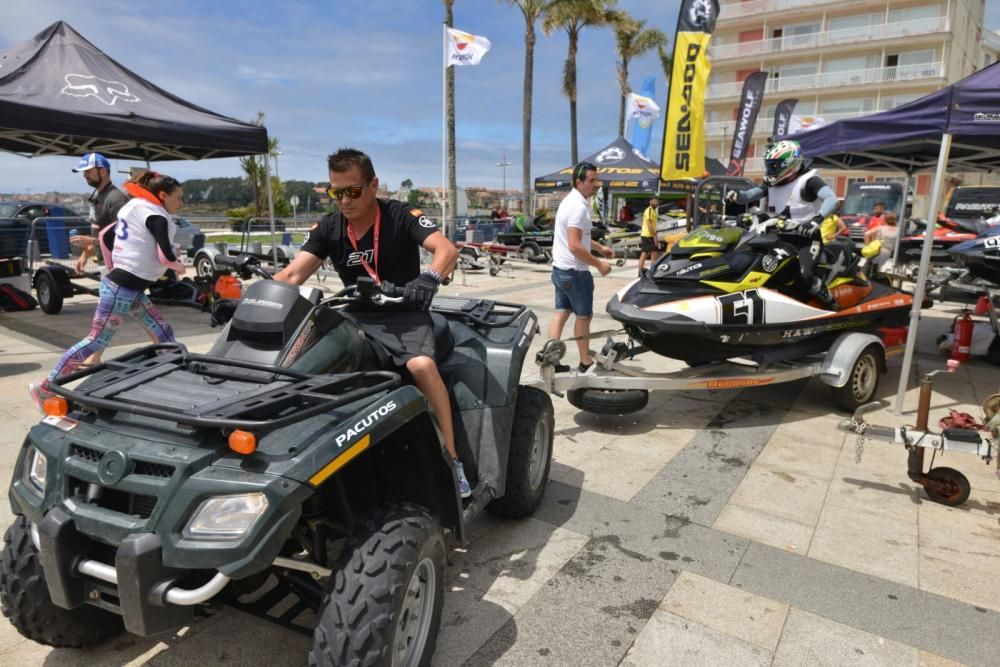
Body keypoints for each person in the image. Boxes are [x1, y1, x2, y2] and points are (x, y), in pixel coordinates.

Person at [273, 148, 470, 497]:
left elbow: (446, 250)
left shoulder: (400, 214)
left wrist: (429, 279)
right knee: (299, 359)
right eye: (336, 193)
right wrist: (250, 299)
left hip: (403, 313)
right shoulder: (329, 227)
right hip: (354, 313)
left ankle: (452, 460)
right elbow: (292, 274)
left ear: (373, 185)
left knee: (423, 366)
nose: (344, 201)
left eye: (352, 191)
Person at [29, 171, 184, 411]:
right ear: (163, 195)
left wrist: (114, 264)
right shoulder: (156, 215)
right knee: (97, 340)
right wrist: (178, 264)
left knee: (162, 331)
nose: (181, 203)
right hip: (122, 288)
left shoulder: (134, 207)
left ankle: (174, 373)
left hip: (129, 288)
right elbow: (165, 255)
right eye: (179, 198)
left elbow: (105, 235)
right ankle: (46, 387)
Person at [727, 139, 841, 307]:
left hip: (806, 239)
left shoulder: (809, 181)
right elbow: (748, 195)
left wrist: (816, 220)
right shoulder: (772, 183)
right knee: (758, 267)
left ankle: (831, 301)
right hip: (778, 237)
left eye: (774, 165)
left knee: (804, 276)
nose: (770, 170)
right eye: (769, 165)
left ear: (790, 164)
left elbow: (832, 199)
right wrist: (736, 196)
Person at [548, 162, 616, 373]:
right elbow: (575, 245)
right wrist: (599, 264)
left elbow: (581, 238)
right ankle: (585, 362)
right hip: (575, 272)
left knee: (561, 313)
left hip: (560, 269)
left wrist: (599, 247)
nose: (595, 185)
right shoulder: (578, 207)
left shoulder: (569, 201)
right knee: (583, 317)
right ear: (579, 182)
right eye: (591, 181)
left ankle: (551, 360)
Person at [72, 153, 129, 274]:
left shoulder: (116, 199)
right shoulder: (99, 195)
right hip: (106, 263)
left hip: (119, 265)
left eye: (88, 171)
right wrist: (85, 255)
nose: (84, 175)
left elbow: (125, 238)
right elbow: (99, 229)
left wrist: (91, 241)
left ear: (102, 171)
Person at [638, 196, 660, 275]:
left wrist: (655, 235)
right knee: (647, 253)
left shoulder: (653, 211)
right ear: (650, 202)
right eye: (653, 201)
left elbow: (653, 224)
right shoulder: (650, 210)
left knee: (654, 252)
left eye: (656, 201)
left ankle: (651, 270)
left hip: (649, 234)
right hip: (647, 235)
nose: (655, 203)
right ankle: (642, 271)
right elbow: (649, 223)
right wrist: (654, 236)